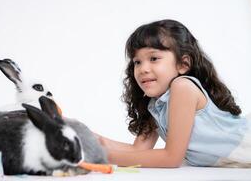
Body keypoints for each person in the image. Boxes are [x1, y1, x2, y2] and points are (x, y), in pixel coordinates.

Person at [97, 19, 251, 168]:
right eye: (137, 61)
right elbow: (138, 150)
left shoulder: (182, 87)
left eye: (154, 58)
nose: (143, 69)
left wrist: (103, 155)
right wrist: (87, 138)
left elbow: (171, 158)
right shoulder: (156, 105)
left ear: (183, 64)